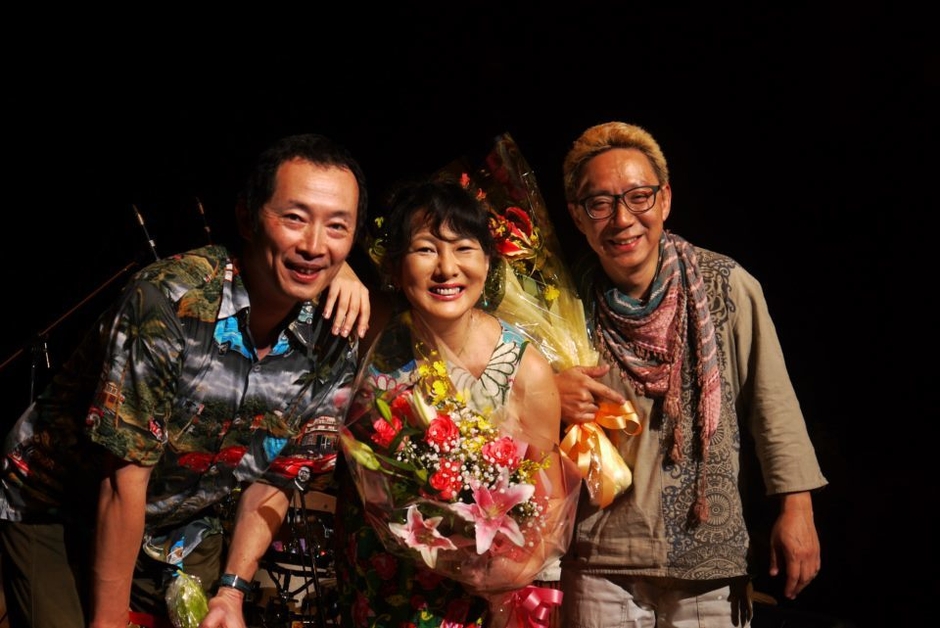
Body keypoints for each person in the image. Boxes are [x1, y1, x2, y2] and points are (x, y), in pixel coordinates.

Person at [0, 132, 372, 628]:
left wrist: (232, 592)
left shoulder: (336, 336)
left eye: (336, 226)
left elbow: (277, 477)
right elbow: (121, 481)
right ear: (247, 218)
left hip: (182, 519)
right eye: (294, 218)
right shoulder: (168, 302)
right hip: (59, 502)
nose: (314, 245)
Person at [554, 121, 828, 628]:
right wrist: (545, 395)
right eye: (600, 204)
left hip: (708, 562)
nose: (622, 219)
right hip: (600, 559)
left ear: (665, 200)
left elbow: (773, 405)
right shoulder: (561, 301)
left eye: (639, 197)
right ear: (577, 216)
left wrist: (798, 510)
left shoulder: (726, 285)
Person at [334, 178, 577, 628]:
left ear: (487, 262)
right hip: (379, 585)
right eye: (425, 249)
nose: (447, 269)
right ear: (395, 266)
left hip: (474, 596)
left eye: (464, 248)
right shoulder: (371, 330)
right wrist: (343, 272)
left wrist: (501, 576)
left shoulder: (524, 367)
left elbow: (549, 503)